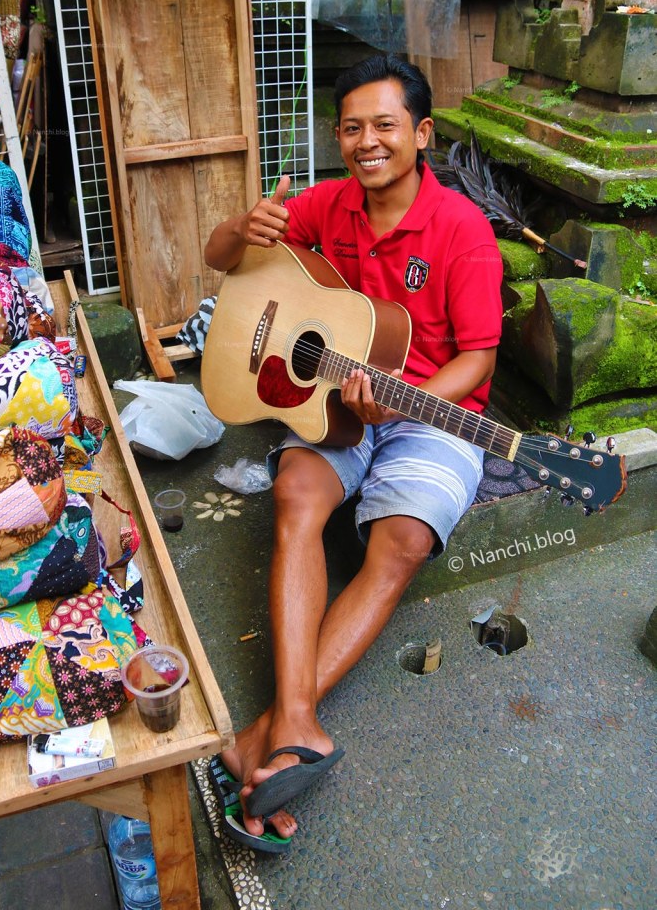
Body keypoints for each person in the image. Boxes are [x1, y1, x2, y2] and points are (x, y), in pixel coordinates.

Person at [204, 54, 503, 852]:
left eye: (384, 126)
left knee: (398, 543)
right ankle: (299, 723)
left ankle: (261, 736)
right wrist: (241, 230)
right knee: (297, 498)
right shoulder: (325, 205)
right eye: (351, 127)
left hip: (430, 410)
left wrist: (411, 399)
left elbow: (477, 355)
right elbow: (222, 260)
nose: (366, 142)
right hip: (334, 403)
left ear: (421, 134)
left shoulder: (461, 231)